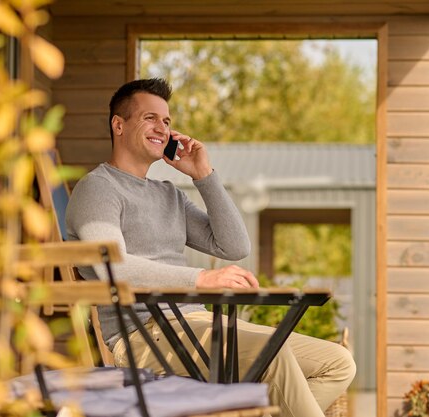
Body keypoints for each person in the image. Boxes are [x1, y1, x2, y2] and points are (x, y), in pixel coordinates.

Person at [65, 78, 355, 417]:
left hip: (196, 322)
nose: (162, 127)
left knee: (337, 363)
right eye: (150, 118)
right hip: (143, 336)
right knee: (271, 355)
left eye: (167, 121)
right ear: (119, 124)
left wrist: (204, 175)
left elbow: (233, 245)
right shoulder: (98, 188)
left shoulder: (168, 194)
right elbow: (113, 267)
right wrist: (201, 279)